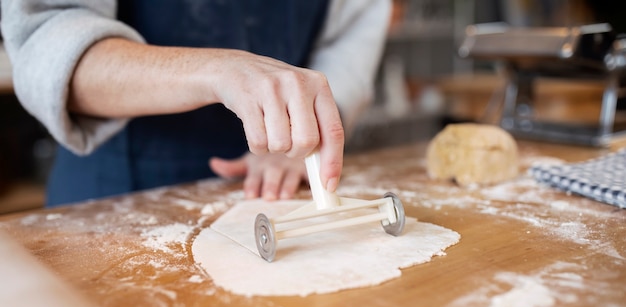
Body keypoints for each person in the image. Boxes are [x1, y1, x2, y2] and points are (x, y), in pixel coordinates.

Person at [0, 0, 390, 206]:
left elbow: (348, 41)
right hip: (113, 195)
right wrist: (216, 71)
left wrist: (299, 135)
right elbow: (45, 44)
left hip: (275, 190)